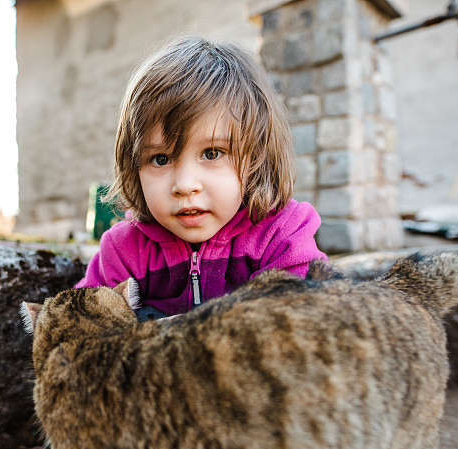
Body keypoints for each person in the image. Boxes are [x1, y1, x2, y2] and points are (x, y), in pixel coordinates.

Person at [76, 35, 327, 320]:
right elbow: (83, 327)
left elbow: (305, 325)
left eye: (212, 153)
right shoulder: (124, 252)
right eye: (160, 159)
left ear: (257, 157)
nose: (184, 186)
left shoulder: (281, 236)